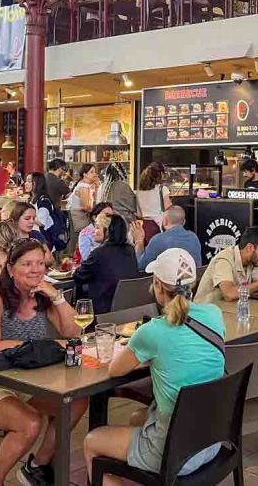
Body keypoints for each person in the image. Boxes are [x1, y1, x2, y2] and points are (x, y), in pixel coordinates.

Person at [0, 238, 87, 486]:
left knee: (76, 402)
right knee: (29, 423)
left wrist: (57, 297)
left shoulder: (42, 295)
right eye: (27, 264)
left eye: (40, 264)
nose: (35, 270)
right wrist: (47, 346)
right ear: (10, 269)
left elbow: (74, 332)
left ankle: (37, 466)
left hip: (21, 380)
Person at [84, 248, 224, 479]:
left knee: (91, 441)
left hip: (175, 451)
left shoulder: (151, 332)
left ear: (157, 285)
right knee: (138, 418)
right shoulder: (214, 314)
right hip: (211, 439)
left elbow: (114, 370)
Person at [73, 214, 139, 314]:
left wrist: (75, 269)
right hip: (128, 308)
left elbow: (79, 276)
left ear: (107, 231)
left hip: (103, 310)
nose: (93, 231)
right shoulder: (130, 250)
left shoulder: (99, 253)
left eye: (97, 227)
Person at [194, 226, 258, 303]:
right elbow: (229, 294)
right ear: (250, 248)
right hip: (205, 313)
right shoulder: (224, 260)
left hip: (230, 310)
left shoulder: (252, 261)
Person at [136, 205, 201, 270]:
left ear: (165, 221)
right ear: (184, 222)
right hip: (193, 279)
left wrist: (139, 241)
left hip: (168, 280)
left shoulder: (158, 240)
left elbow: (141, 266)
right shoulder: (194, 238)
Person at [136, 162, 172, 245]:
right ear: (160, 174)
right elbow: (168, 208)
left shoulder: (139, 191)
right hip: (157, 227)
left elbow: (139, 214)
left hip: (144, 227)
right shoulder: (162, 189)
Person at [68, 163, 97, 234]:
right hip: (79, 218)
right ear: (85, 174)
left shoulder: (84, 185)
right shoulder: (84, 186)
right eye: (91, 172)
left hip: (78, 216)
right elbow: (88, 207)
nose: (95, 174)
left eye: (95, 172)